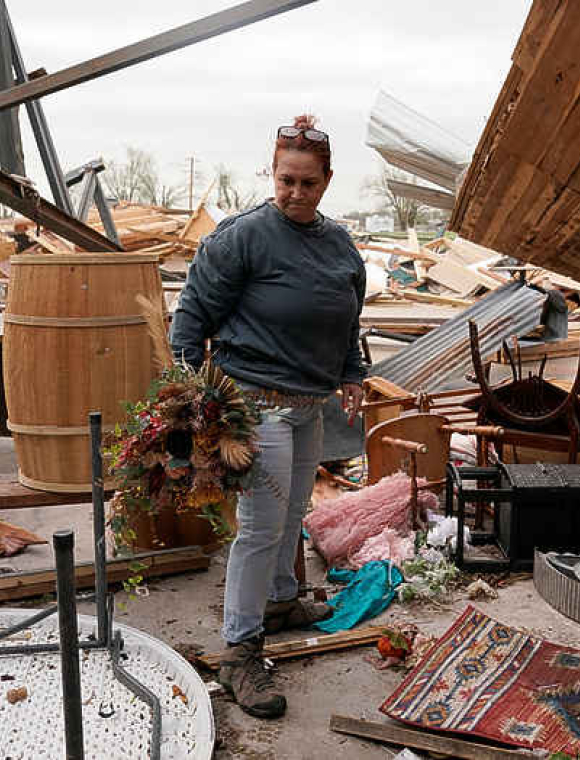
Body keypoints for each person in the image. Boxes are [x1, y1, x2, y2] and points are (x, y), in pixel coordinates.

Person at [170, 114, 366, 719]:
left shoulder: (339, 244)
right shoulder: (244, 236)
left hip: (309, 407)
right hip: (257, 406)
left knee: (292, 514)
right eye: (286, 180)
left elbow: (347, 317)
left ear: (327, 181)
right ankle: (239, 650)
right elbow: (192, 314)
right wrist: (192, 398)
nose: (295, 193)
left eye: (308, 183)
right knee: (260, 526)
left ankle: (281, 601)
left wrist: (353, 372)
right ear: (272, 173)